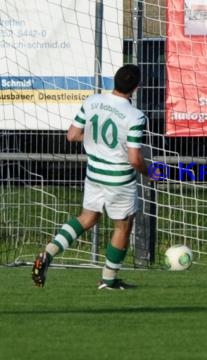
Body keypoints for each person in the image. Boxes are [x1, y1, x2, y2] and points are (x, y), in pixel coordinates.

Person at [32, 64, 147, 290]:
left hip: (94, 173)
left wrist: (96, 139)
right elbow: (134, 159)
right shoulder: (135, 116)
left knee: (87, 218)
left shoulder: (92, 101)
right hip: (118, 178)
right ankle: (108, 279)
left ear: (114, 81)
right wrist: (151, 172)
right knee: (123, 226)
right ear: (136, 88)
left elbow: (72, 135)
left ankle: (48, 253)